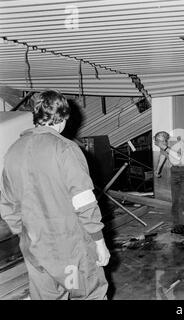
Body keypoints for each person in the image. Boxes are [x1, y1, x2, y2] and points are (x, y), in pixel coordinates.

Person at [0, 90, 110, 300]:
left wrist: (23, 234)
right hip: (69, 251)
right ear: (65, 116)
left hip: (35, 248)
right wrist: (99, 241)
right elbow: (83, 201)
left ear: (36, 116)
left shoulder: (13, 151)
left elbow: (6, 203)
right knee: (86, 294)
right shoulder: (64, 149)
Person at [154, 131, 184, 235]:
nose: (157, 143)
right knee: (175, 198)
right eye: (157, 141)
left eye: (159, 141)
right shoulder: (164, 145)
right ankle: (177, 222)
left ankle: (182, 225)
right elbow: (163, 155)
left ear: (165, 140)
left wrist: (165, 147)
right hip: (175, 170)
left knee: (183, 198)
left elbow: (178, 157)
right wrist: (158, 169)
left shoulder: (177, 143)